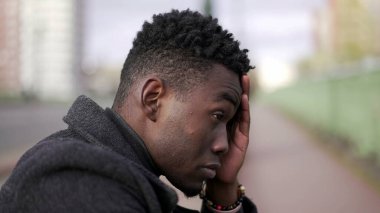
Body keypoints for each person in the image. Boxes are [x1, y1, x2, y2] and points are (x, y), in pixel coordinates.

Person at [0, 9, 257, 213]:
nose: (224, 144)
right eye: (218, 116)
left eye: (229, 123)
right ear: (153, 99)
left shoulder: (116, 178)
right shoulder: (74, 180)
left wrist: (223, 188)